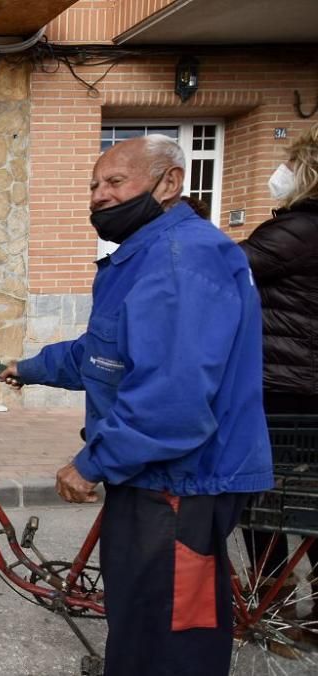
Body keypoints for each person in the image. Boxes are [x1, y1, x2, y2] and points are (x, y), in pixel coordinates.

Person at [0, 135, 273, 675]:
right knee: (140, 618)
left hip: (180, 484)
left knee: (170, 638)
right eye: (94, 186)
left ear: (169, 183)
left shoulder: (180, 259)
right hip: (157, 479)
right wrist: (28, 368)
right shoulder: (147, 255)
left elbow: (172, 399)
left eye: (115, 182)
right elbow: (101, 355)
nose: (99, 196)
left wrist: (92, 463)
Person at [238, 122, 318, 601]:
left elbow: (223, 269)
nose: (279, 172)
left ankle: (271, 600)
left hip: (281, 386)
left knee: (263, 497)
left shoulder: (297, 231)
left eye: (288, 163)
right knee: (309, 499)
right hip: (304, 385)